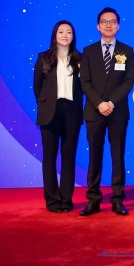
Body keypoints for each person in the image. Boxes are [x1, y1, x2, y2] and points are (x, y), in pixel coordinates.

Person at [79, 7, 134, 217]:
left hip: (117, 111)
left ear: (118, 26)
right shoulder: (89, 51)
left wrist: (110, 102)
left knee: (117, 156)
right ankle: (93, 199)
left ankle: (118, 199)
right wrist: (99, 103)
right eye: (104, 21)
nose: (108, 25)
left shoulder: (126, 51)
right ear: (98, 26)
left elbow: (128, 81)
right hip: (94, 112)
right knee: (95, 156)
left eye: (112, 21)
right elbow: (85, 82)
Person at [33, 20, 83, 213]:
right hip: (50, 112)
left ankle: (67, 199)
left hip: (72, 111)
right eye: (61, 31)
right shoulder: (43, 57)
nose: (65, 35)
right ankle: (52, 200)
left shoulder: (80, 58)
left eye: (69, 32)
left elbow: (85, 85)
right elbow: (37, 86)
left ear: (73, 36)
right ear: (55, 35)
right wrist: (45, 104)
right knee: (49, 157)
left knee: (69, 156)